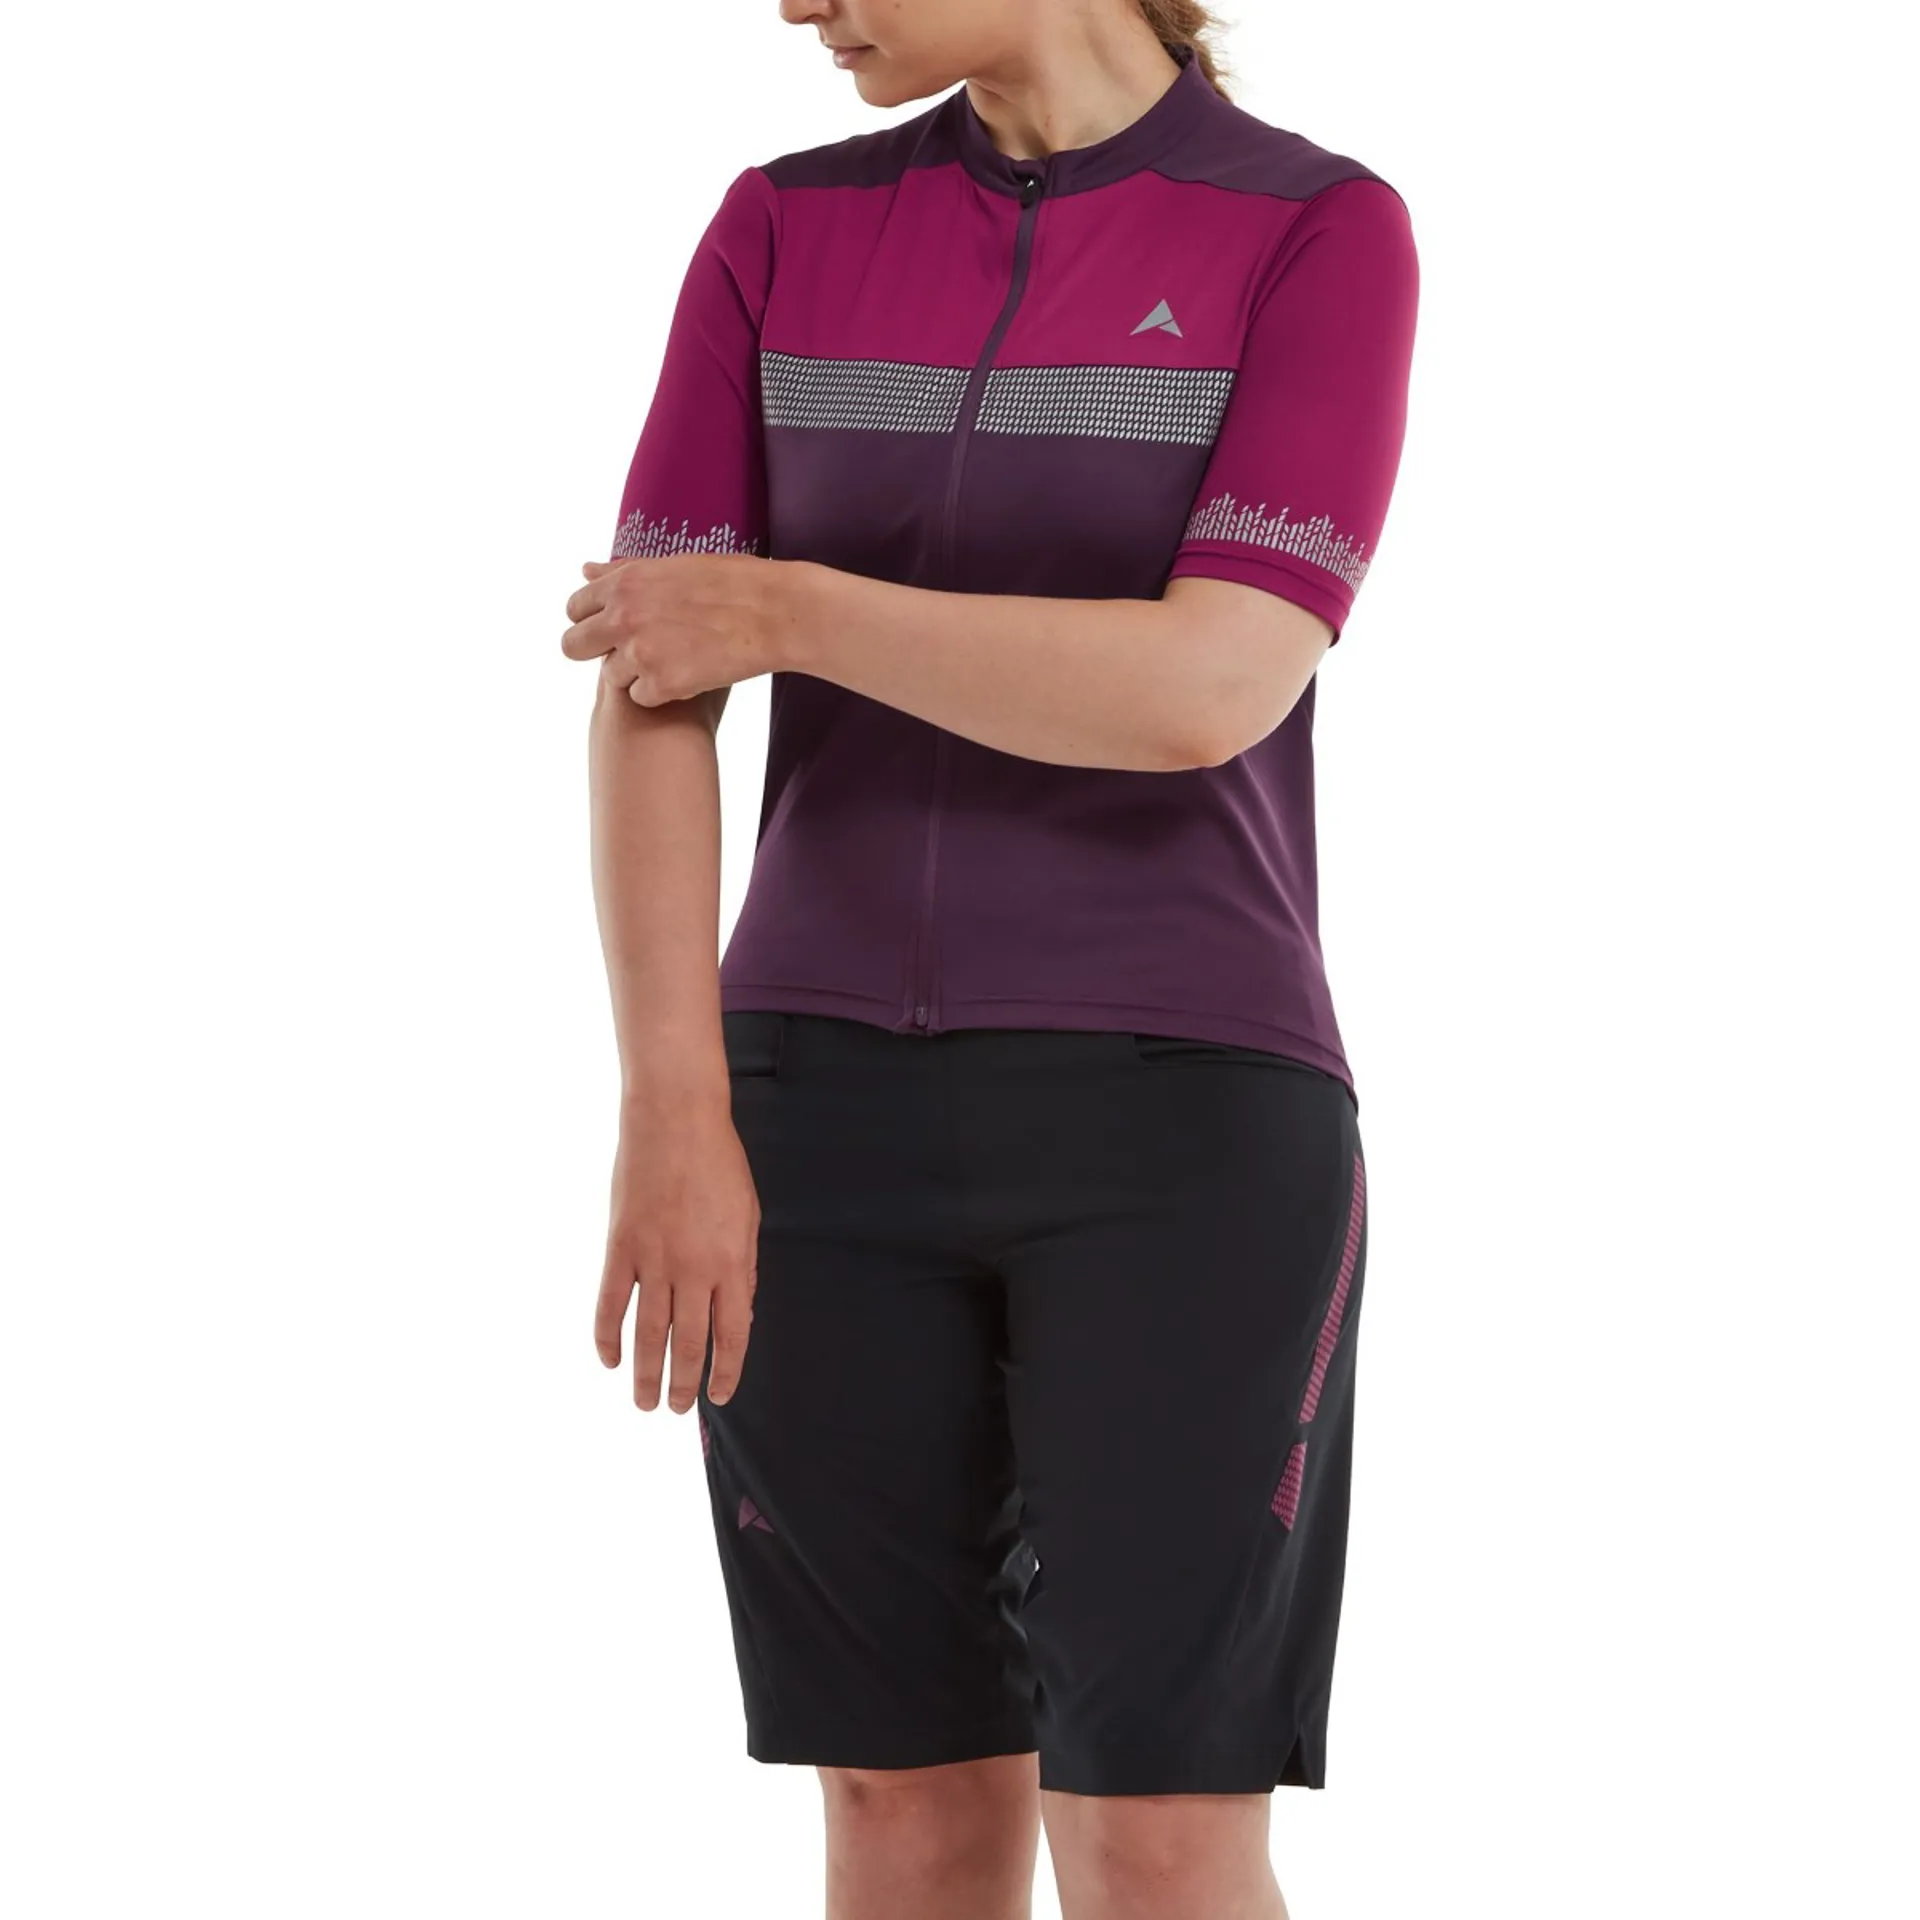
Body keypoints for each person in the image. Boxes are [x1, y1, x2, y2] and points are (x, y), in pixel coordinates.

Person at [559, 1, 1417, 1913]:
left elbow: (1207, 684)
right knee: (897, 1810)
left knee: (1157, 1832)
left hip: (1182, 1120)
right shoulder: (780, 227)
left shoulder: (1310, 228)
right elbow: (654, 669)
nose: (797, 0)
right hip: (807, 1113)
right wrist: (673, 1105)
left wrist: (791, 609)